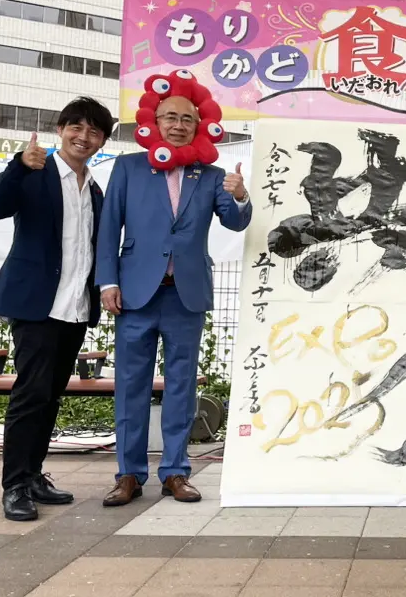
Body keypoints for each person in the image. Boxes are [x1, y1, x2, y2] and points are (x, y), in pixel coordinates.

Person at [97, 92, 251, 506]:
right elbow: (109, 227)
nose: (179, 125)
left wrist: (240, 195)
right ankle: (128, 474)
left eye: (187, 119)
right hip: (135, 294)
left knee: (181, 386)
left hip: (186, 294)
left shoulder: (212, 174)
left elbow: (235, 222)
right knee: (131, 386)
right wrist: (107, 282)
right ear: (154, 121)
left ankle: (176, 472)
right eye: (170, 117)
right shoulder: (128, 167)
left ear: (198, 126)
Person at [0, 97, 114, 521]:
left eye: (94, 131)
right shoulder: (34, 172)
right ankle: (16, 485)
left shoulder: (95, 190)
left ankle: (34, 475)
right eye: (76, 127)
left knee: (50, 395)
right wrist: (18, 165)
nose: (83, 137)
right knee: (31, 394)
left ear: (102, 141)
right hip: (36, 304)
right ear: (61, 130)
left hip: (75, 306)